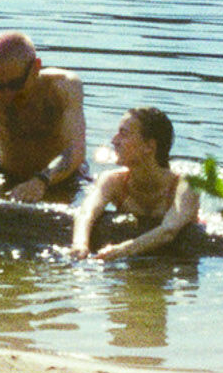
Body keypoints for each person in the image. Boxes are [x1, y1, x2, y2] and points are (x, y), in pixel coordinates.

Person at [0, 30, 87, 203]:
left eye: (15, 84)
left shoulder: (64, 87)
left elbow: (76, 149)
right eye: (0, 84)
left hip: (62, 176)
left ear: (36, 67)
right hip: (7, 174)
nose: (8, 93)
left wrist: (41, 180)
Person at [73, 106, 202, 261]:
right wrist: (80, 244)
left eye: (123, 134)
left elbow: (169, 230)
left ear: (149, 147)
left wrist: (121, 251)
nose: (114, 141)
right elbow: (86, 212)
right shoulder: (113, 181)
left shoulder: (185, 185)